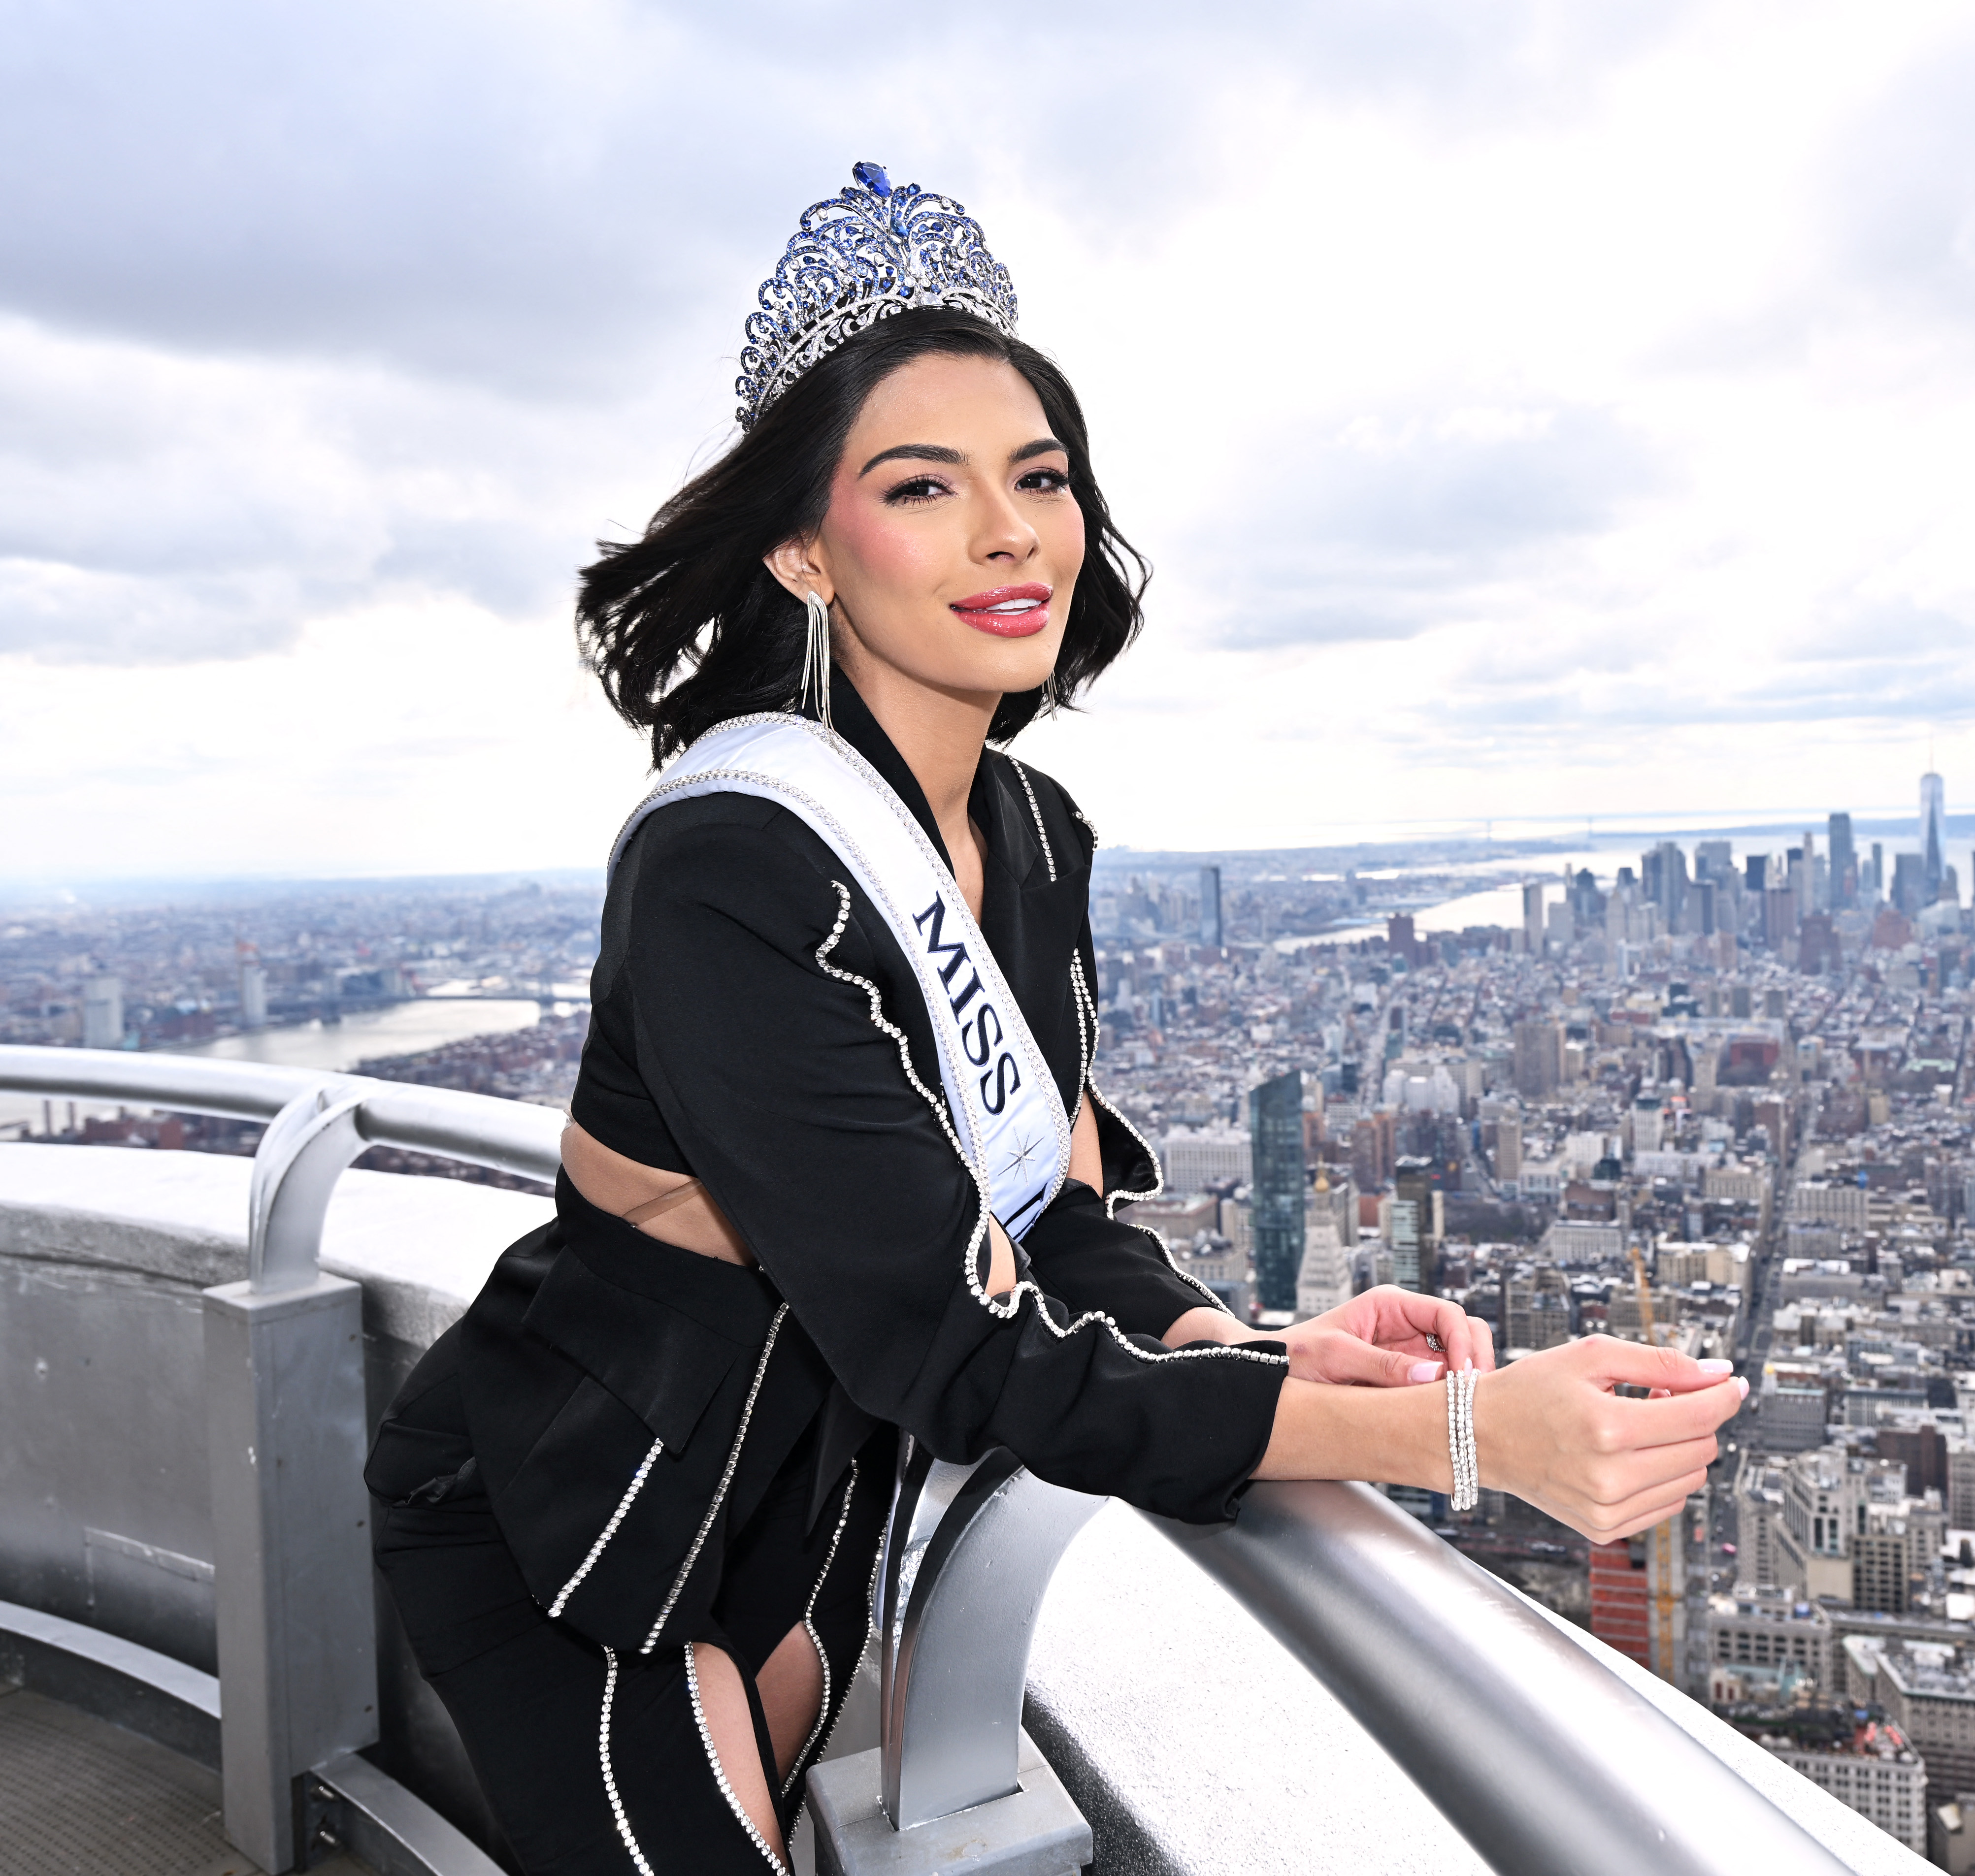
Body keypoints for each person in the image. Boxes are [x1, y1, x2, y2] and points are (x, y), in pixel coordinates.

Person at [364, 162, 1744, 1876]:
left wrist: (1256, 1344)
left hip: (789, 1523)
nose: (1010, 531)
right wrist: (1465, 1436)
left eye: (1039, 476)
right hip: (579, 1529)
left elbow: (1050, 1228)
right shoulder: (735, 870)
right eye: (921, 486)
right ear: (805, 544)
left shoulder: (1028, 837)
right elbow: (959, 1352)